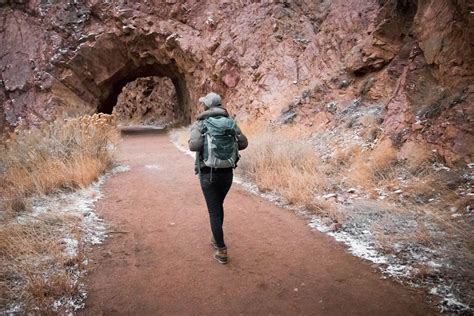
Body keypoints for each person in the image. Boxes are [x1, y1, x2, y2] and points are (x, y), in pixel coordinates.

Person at [188, 92, 248, 264]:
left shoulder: (201, 123)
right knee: (218, 205)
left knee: (214, 211)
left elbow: (194, 146)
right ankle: (216, 238)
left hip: (208, 173)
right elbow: (243, 143)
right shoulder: (230, 122)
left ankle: (221, 250)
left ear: (206, 106)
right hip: (227, 173)